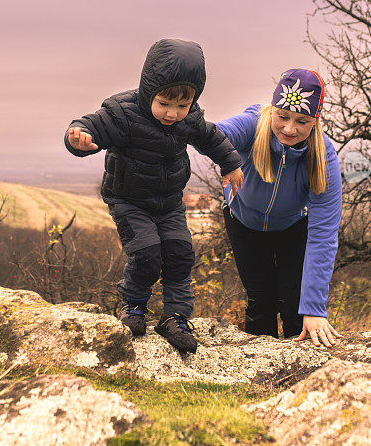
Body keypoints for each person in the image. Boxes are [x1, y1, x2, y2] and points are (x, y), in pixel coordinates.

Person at [64, 38, 244, 353]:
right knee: (147, 253)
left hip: (169, 202)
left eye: (181, 106)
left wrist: (230, 163)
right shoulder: (123, 112)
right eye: (164, 103)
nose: (172, 114)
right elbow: (91, 125)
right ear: (149, 90)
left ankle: (175, 317)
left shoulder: (189, 117)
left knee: (180, 252)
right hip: (129, 200)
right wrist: (77, 137)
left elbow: (211, 137)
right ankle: (133, 307)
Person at [216, 68, 343, 347]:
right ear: (272, 109)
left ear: (315, 121)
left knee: (296, 306)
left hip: (292, 226)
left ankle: (302, 379)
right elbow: (213, 135)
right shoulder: (253, 124)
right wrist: (227, 160)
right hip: (243, 221)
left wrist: (314, 309)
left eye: (302, 121)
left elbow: (323, 235)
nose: (289, 129)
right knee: (260, 301)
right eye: (282, 116)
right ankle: (257, 380)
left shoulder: (323, 156)